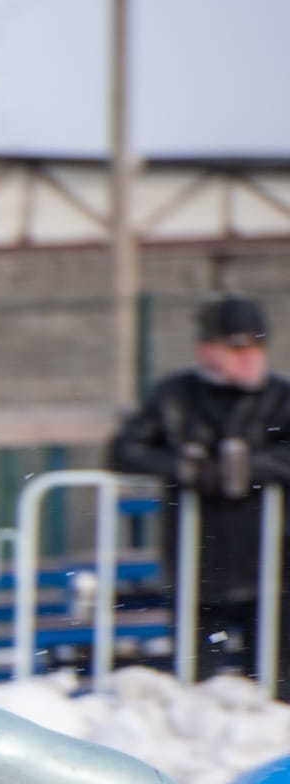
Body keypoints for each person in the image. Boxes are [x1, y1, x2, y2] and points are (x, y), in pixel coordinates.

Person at [111, 294, 290, 700]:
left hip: (274, 564)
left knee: (278, 685)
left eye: (257, 347)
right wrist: (185, 467)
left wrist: (247, 468)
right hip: (198, 563)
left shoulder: (281, 398)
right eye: (237, 347)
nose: (249, 359)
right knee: (196, 684)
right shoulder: (175, 396)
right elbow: (125, 451)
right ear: (206, 350)